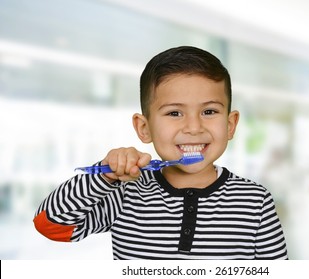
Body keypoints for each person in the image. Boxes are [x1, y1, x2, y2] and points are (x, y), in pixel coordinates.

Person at [34, 46, 288, 260]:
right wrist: (104, 176)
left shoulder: (256, 200)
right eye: (174, 113)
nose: (193, 127)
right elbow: (50, 225)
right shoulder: (127, 193)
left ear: (230, 125)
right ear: (144, 128)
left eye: (209, 111)